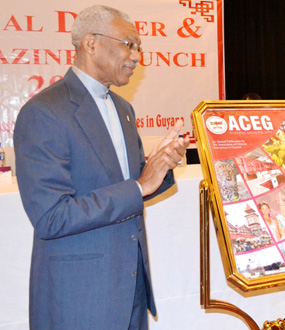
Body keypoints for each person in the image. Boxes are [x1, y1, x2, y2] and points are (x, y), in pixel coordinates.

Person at [14, 5, 189, 330]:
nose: (137, 56)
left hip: (131, 289)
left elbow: (133, 186)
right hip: (80, 297)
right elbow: (51, 217)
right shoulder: (44, 112)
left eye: (139, 47)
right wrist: (140, 185)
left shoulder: (123, 109)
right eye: (129, 43)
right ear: (91, 43)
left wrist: (160, 166)